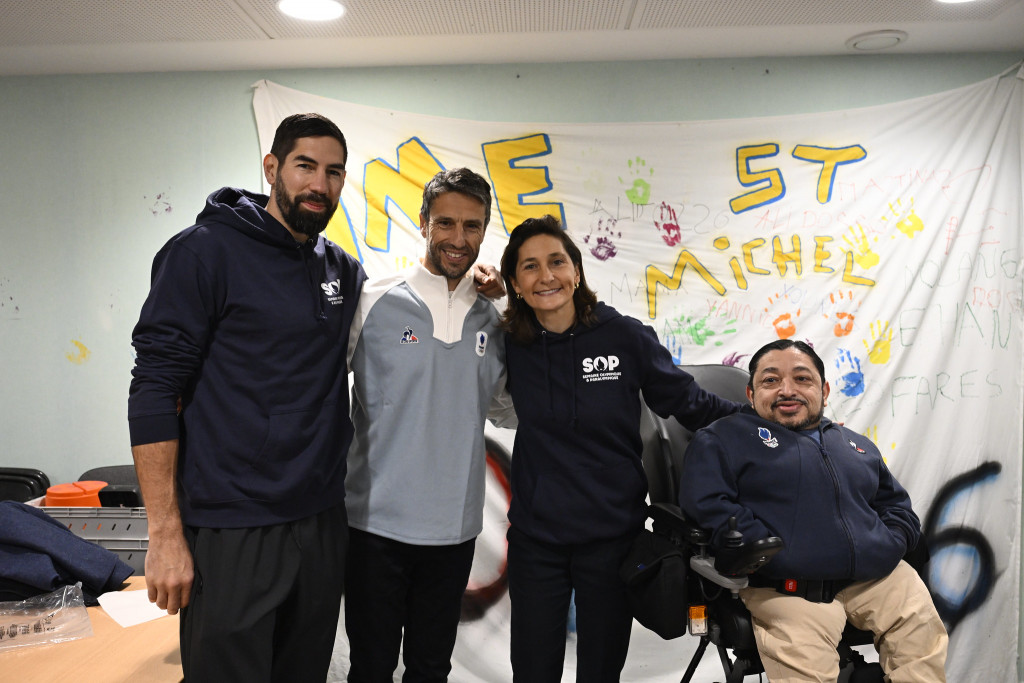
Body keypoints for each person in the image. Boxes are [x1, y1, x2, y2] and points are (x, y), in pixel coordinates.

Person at [128, 113, 365, 681]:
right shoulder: (202, 253)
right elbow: (155, 389)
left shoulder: (341, 269)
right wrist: (163, 536)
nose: (319, 184)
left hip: (320, 519)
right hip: (233, 525)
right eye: (305, 166)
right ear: (272, 168)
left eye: (334, 172)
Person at [498, 215, 742, 682]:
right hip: (537, 541)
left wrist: (762, 419)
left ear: (577, 271)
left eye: (556, 262)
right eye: (529, 267)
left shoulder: (623, 336)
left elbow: (688, 403)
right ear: (515, 281)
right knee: (531, 673)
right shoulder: (512, 343)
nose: (545, 276)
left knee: (601, 673)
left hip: (611, 540)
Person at [679, 339, 948, 683]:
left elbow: (896, 506)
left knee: (922, 657)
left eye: (802, 379)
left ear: (824, 390)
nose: (786, 390)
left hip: (876, 577)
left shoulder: (855, 444)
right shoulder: (721, 439)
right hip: (789, 587)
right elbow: (707, 504)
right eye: (771, 381)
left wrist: (889, 542)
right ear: (750, 394)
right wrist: (770, 549)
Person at [343, 167, 516, 683]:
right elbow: (318, 390)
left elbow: (506, 409)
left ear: (485, 230)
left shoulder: (493, 316)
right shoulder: (372, 299)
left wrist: (508, 304)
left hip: (453, 531)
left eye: (472, 226)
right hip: (373, 526)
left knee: (430, 668)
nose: (458, 239)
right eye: (445, 223)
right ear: (422, 223)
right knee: (370, 667)